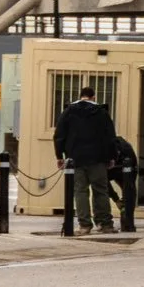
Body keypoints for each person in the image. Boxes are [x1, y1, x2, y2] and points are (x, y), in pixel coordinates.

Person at [53, 83, 118, 234]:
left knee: (80, 191)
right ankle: (105, 224)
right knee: (101, 191)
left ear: (80, 96)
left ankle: (84, 225)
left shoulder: (69, 111)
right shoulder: (101, 112)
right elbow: (110, 137)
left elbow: (59, 135)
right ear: (94, 97)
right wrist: (112, 157)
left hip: (75, 159)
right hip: (98, 158)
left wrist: (59, 156)